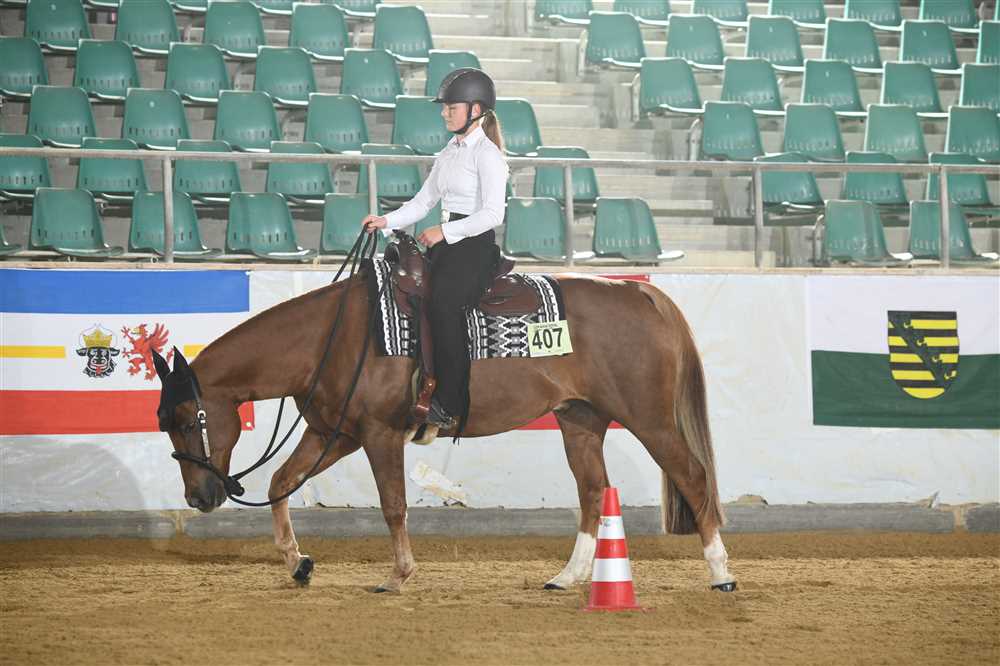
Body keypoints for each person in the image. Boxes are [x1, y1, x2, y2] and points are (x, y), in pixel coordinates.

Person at [362, 68, 509, 430]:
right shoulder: (449, 151)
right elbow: (423, 201)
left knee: (444, 304)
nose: (444, 113)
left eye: (451, 107)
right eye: (444, 107)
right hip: (446, 245)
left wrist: (445, 231)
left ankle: (450, 402)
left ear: (475, 110)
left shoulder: (487, 155)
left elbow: (494, 214)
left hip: (473, 247)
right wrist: (386, 220)